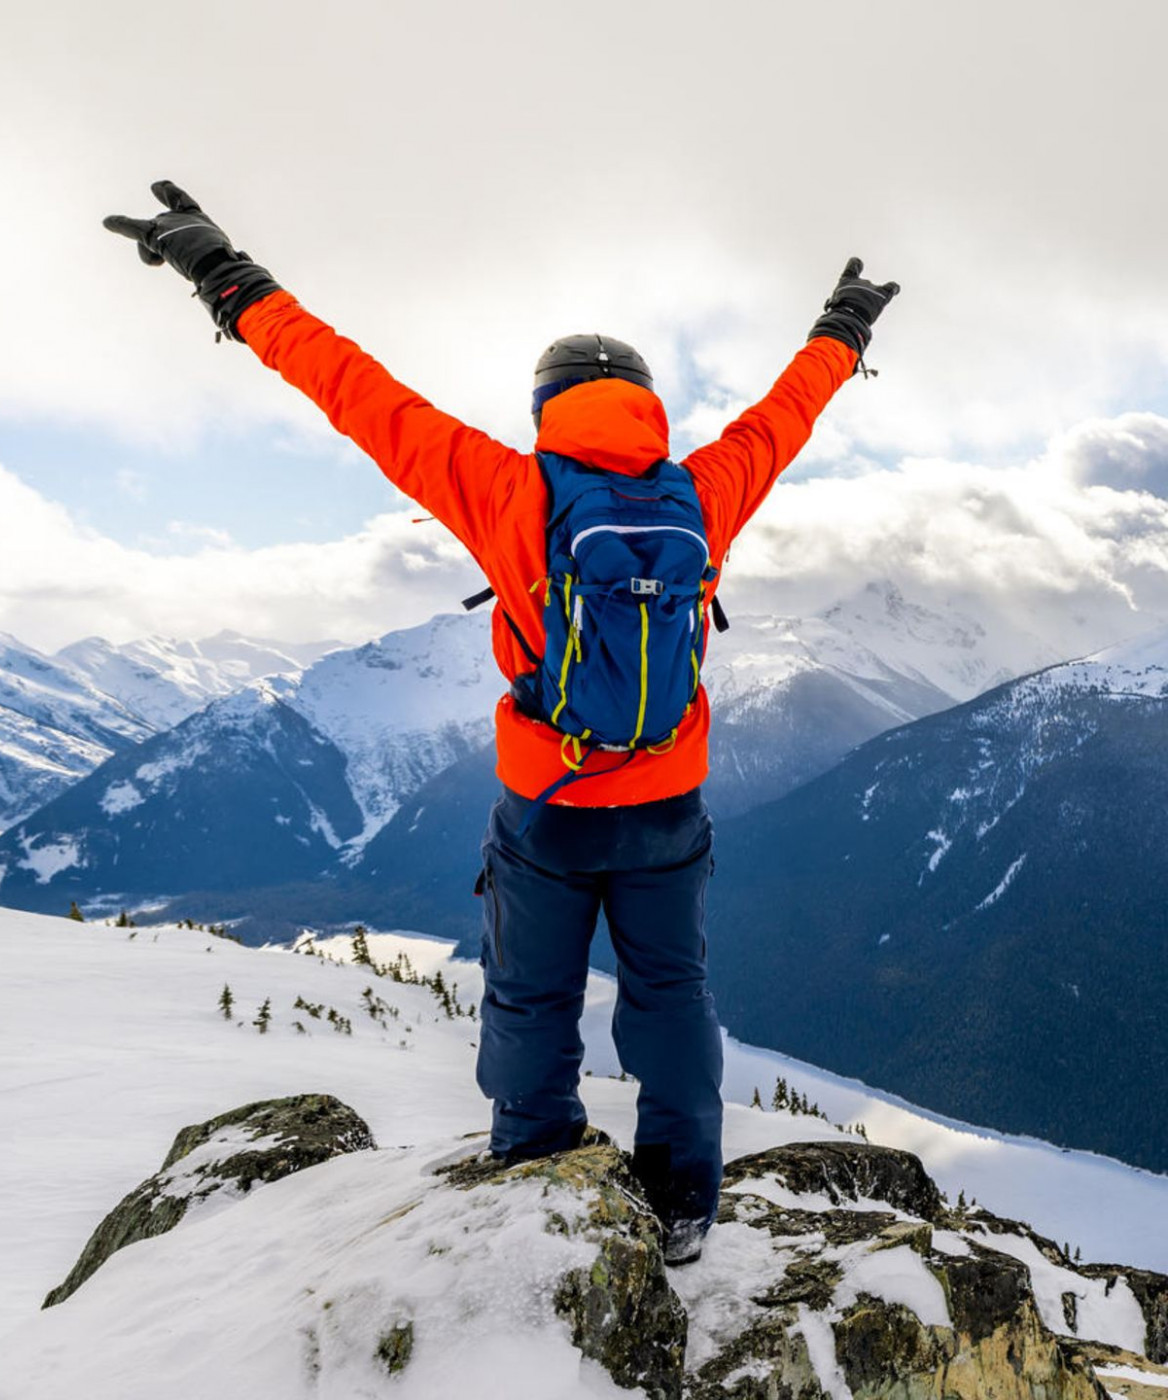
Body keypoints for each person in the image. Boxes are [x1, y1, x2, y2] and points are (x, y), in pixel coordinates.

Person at [105, 181, 899, 1265]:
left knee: (532, 991)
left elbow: (348, 386)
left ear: (545, 408)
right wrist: (840, 327)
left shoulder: (504, 490)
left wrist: (220, 271)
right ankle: (681, 1197)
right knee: (672, 994)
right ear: (644, 404)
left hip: (550, 801)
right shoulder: (697, 494)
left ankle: (535, 1155)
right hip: (667, 803)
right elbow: (783, 417)